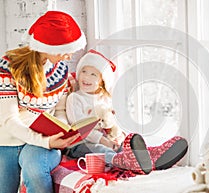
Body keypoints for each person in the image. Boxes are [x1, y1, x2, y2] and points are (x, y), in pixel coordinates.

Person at [0, 11, 87, 193]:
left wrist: (62, 131)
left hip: (44, 141)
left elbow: (60, 111)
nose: (69, 56)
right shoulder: (8, 68)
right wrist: (45, 142)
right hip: (8, 141)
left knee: (35, 169)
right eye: (65, 49)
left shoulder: (60, 68)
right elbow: (9, 120)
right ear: (49, 46)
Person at [64, 50, 189, 174]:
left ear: (102, 82)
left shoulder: (104, 99)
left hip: (107, 138)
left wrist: (117, 136)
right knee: (99, 150)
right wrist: (104, 140)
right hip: (80, 143)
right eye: (83, 72)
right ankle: (123, 161)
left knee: (125, 145)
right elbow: (80, 128)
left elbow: (111, 122)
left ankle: (152, 156)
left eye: (93, 75)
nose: (86, 77)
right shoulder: (75, 98)